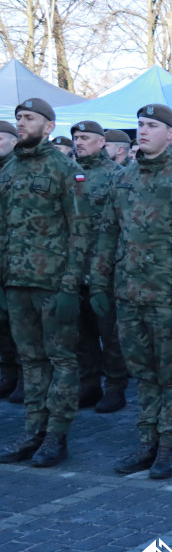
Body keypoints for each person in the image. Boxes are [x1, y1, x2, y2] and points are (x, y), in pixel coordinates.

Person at [91, 104, 172, 479]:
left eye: (151, 126)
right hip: (130, 295)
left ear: (171, 134)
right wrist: (100, 282)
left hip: (170, 297)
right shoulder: (124, 178)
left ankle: (169, 445)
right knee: (143, 375)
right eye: (139, 125)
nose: (143, 131)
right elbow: (108, 233)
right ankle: (147, 441)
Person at [0, 99, 92, 468]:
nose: (21, 124)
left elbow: (80, 229)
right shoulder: (8, 170)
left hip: (52, 282)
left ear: (49, 126)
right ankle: (33, 431)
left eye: (30, 119)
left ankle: (56, 435)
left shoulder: (63, 168)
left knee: (61, 361)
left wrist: (71, 285)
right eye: (19, 118)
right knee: (30, 360)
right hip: (16, 281)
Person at [72, 120, 130, 414]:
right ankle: (89, 384)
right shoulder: (69, 174)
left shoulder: (118, 176)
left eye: (85, 137)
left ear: (101, 143)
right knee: (82, 333)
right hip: (74, 269)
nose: (78, 142)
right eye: (76, 137)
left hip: (106, 270)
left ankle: (116, 387)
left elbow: (123, 226)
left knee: (110, 333)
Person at [0, 121, 22, 403]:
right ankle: (7, 373)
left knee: (18, 322)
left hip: (18, 258)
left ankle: (23, 376)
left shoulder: (18, 170)